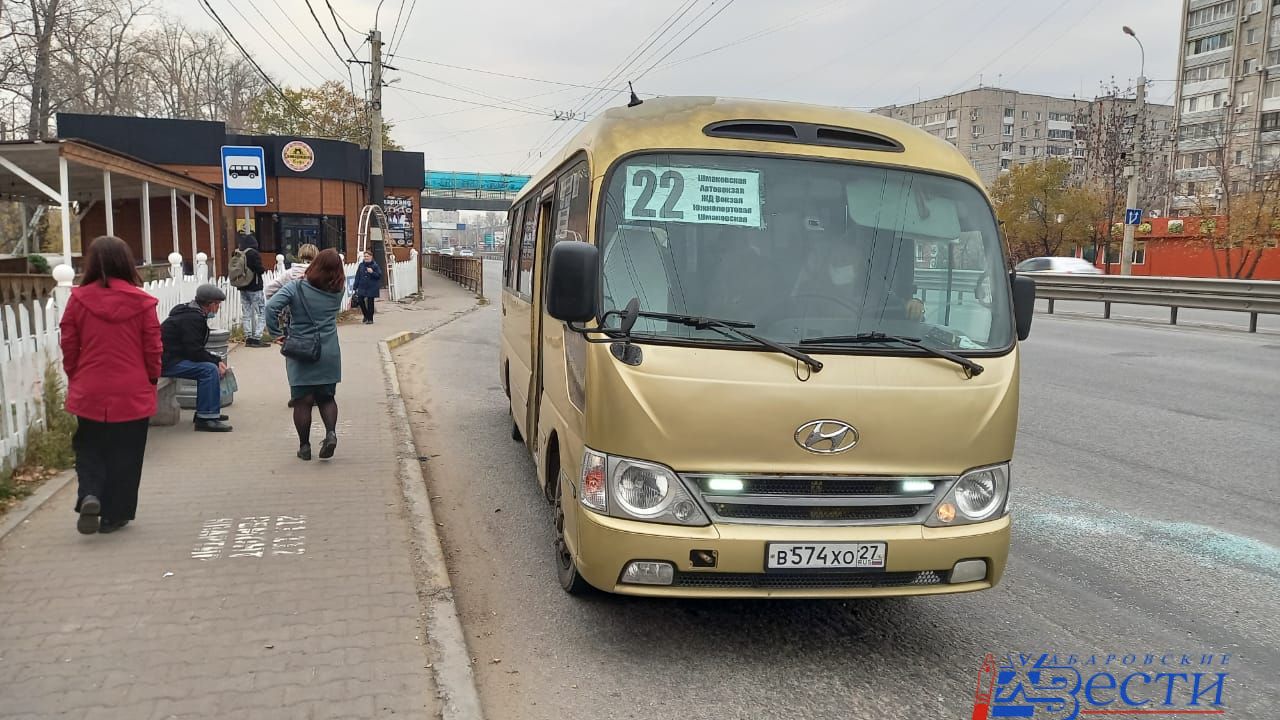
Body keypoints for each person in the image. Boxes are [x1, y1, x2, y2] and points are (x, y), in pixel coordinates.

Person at [59, 236, 162, 535]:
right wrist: (152, 378)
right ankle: (115, 514)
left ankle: (90, 493)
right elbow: (153, 347)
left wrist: (75, 375)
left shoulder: (78, 300)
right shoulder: (142, 302)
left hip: (90, 387)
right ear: (126, 262)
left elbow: (68, 343)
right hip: (132, 388)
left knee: (89, 446)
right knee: (126, 453)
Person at [265, 249, 345, 461]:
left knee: (303, 401)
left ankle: (305, 447)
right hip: (328, 350)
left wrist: (276, 334)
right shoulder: (338, 290)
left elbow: (270, 308)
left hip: (300, 350)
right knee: (327, 398)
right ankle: (331, 434)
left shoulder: (295, 287)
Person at [161, 284, 233, 432]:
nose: (218, 308)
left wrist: (216, 360)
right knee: (208, 370)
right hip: (166, 362)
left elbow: (193, 349)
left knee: (211, 367)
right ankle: (205, 418)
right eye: (218, 304)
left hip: (170, 357)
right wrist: (215, 361)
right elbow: (193, 351)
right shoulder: (193, 318)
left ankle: (210, 412)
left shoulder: (191, 313)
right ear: (211, 304)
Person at [237, 234, 267, 347]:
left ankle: (248, 337)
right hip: (254, 288)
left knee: (247, 313)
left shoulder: (239, 253)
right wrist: (262, 269)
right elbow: (259, 269)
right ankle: (257, 338)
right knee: (261, 313)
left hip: (242, 288)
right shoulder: (253, 254)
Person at [352, 250, 382, 324]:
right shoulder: (361, 265)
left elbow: (378, 276)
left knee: (370, 302)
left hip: (371, 286)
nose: (366, 258)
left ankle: (370, 319)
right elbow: (357, 276)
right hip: (362, 286)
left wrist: (372, 272)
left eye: (367, 256)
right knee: (360, 301)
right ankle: (365, 315)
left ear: (371, 257)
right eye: (365, 256)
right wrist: (355, 287)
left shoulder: (375, 265)